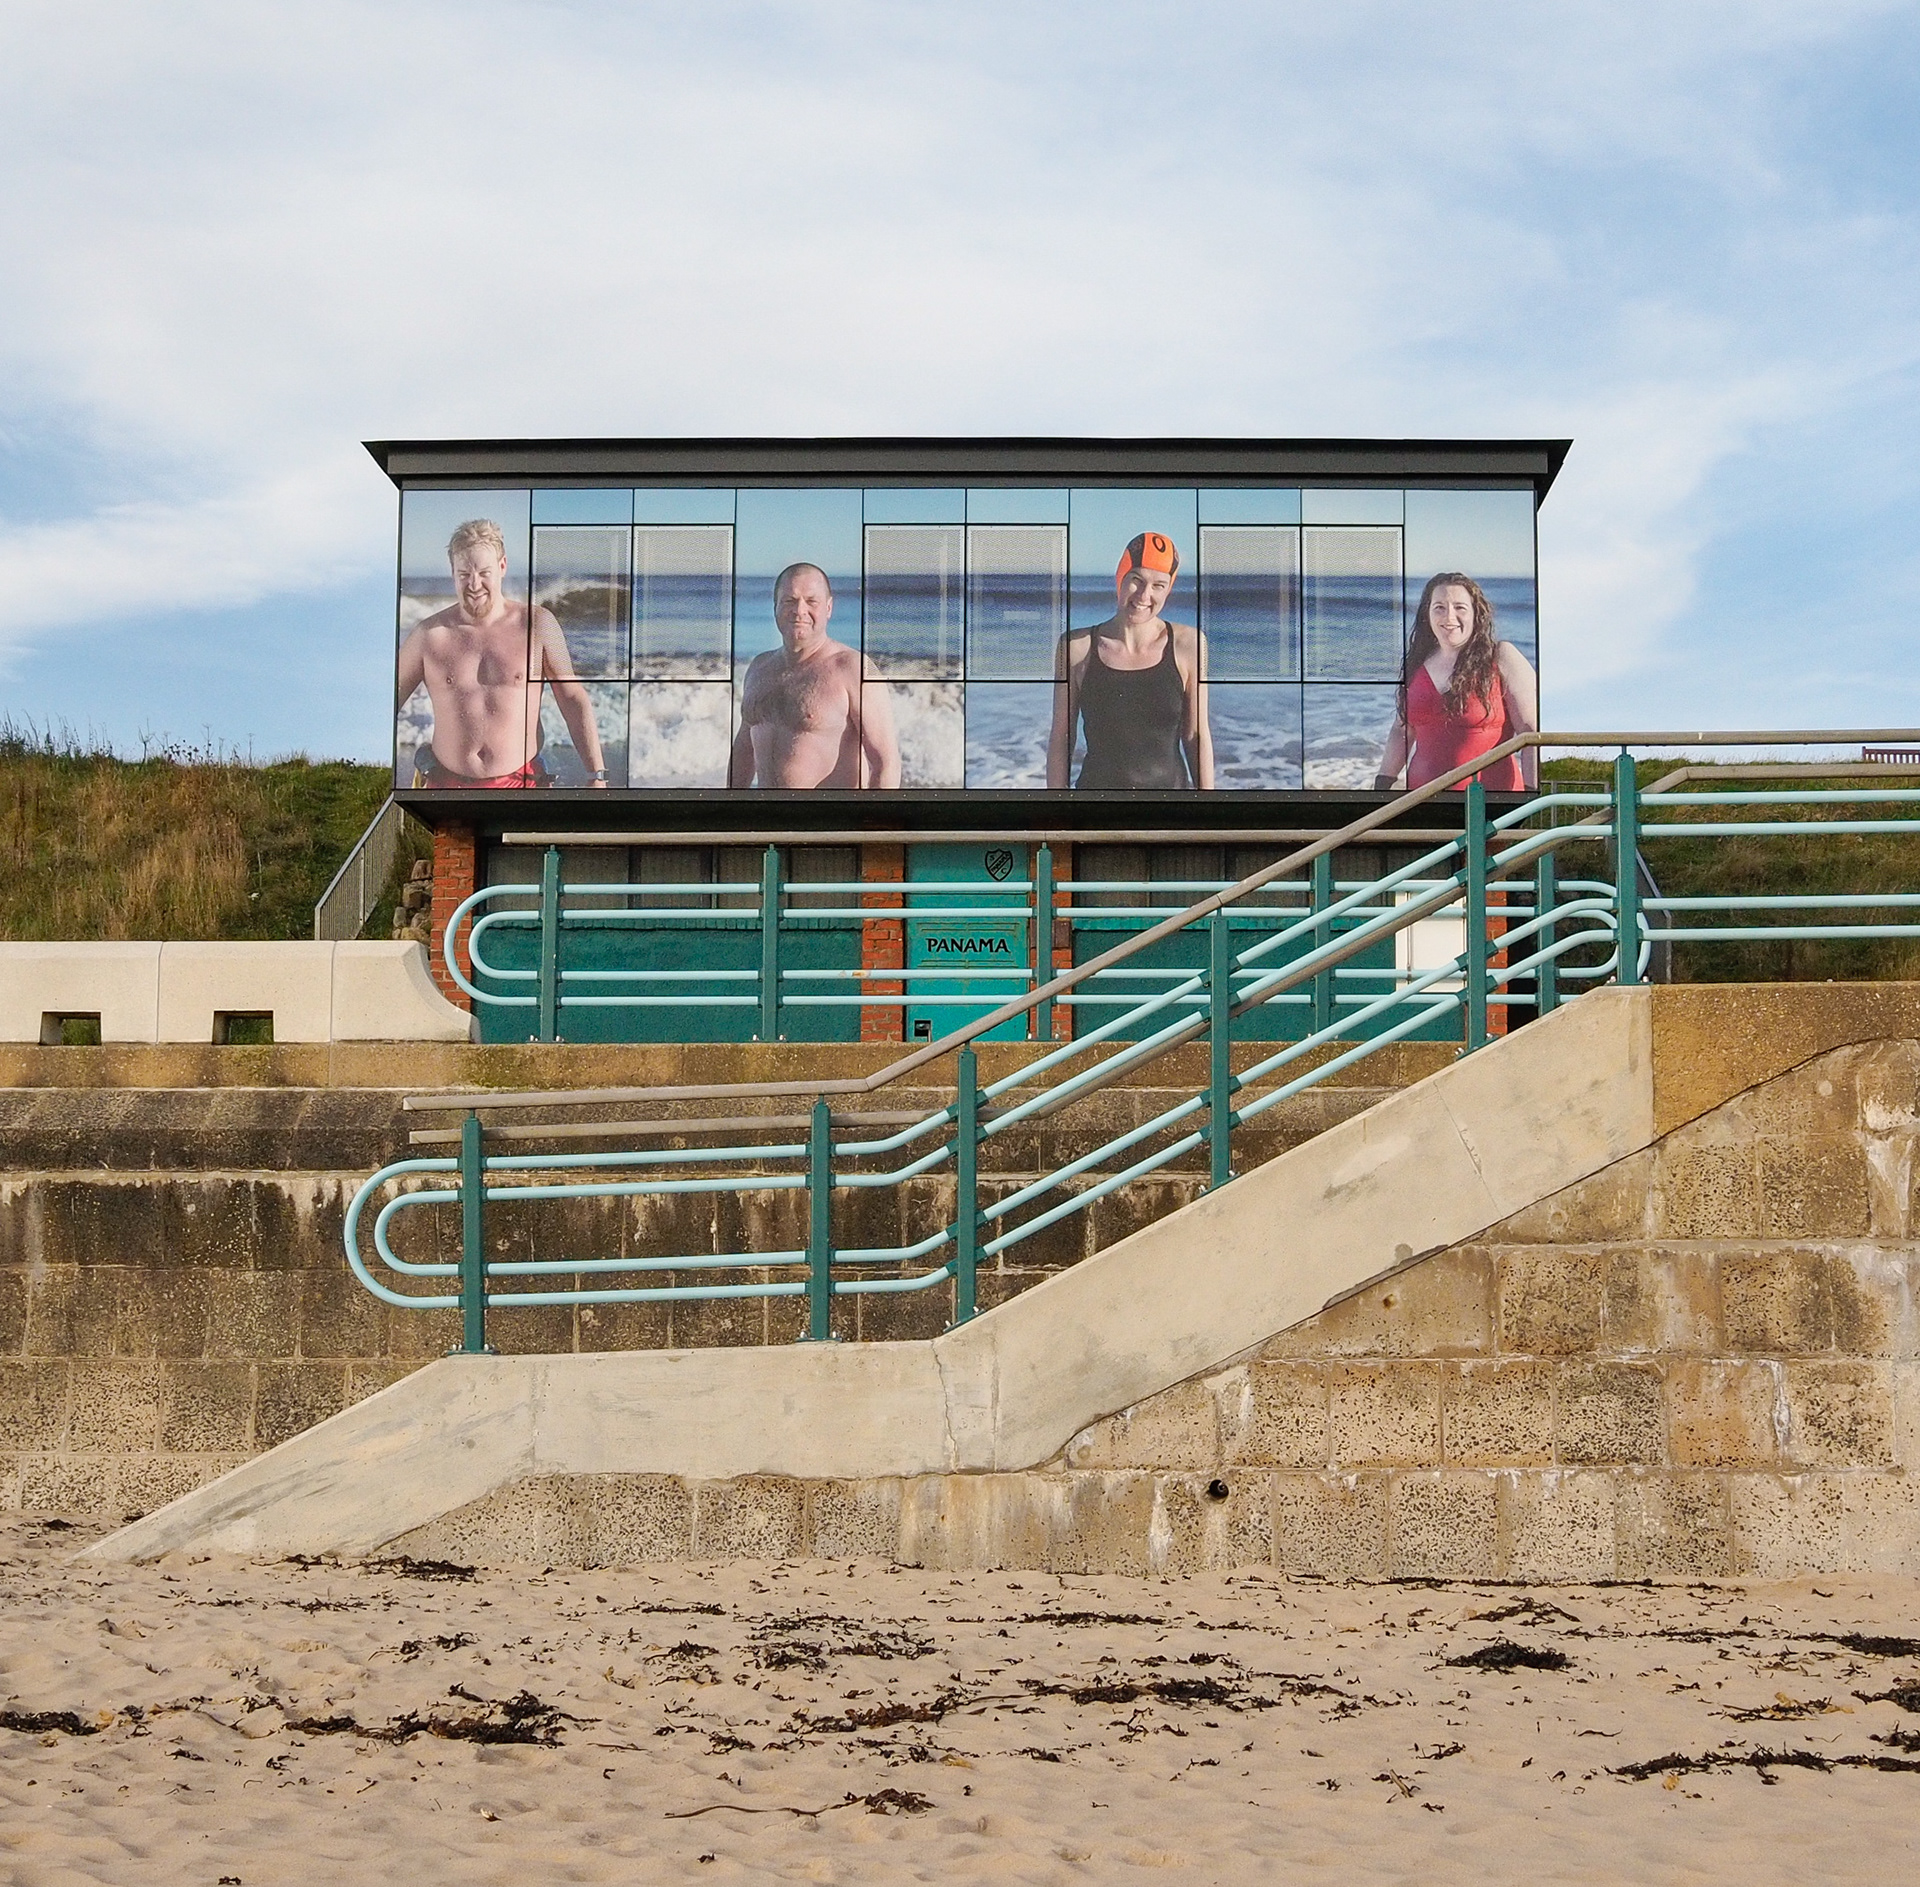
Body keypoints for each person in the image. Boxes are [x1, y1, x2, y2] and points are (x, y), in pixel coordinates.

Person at [397, 519, 609, 788]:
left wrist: (597, 775)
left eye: (484, 572)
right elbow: (387, 703)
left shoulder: (538, 624)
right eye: (464, 574)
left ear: (502, 566)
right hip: (447, 787)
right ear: (452, 572)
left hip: (522, 785)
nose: (474, 584)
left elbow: (572, 697)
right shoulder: (428, 635)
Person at [1047, 532, 1212, 790]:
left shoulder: (1189, 644)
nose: (1145, 595)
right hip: (1096, 809)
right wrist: (1056, 811)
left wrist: (1209, 810)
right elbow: (1061, 737)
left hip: (1171, 809)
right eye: (1136, 580)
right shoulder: (1075, 647)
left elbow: (1196, 735)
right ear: (1120, 577)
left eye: (1159, 585)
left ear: (1169, 589)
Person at [729, 563, 901, 788]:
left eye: (811, 601)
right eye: (789, 600)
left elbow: (885, 763)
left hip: (829, 820)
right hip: (766, 820)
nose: (799, 610)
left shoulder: (852, 669)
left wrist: (874, 822)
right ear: (775, 606)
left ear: (828, 608)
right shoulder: (759, 667)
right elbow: (743, 750)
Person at [1374, 572, 1538, 792]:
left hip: (1491, 806)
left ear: (1475, 614)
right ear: (1427, 614)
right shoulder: (1417, 662)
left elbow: (1530, 732)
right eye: (1439, 607)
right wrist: (1382, 784)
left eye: (1460, 607)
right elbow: (1402, 729)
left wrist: (1530, 794)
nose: (1449, 617)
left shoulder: (1501, 656)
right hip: (1420, 802)